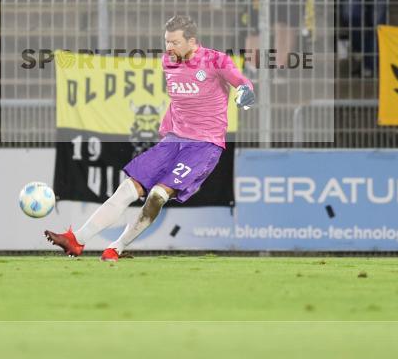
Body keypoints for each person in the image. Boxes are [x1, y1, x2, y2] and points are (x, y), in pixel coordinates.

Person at [45, 15, 255, 262]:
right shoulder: (168, 61)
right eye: (166, 41)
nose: (169, 47)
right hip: (173, 141)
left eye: (175, 42)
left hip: (204, 146)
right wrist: (167, 125)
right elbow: (177, 99)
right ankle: (76, 239)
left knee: (157, 195)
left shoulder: (215, 60)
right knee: (127, 189)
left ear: (192, 41)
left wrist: (244, 92)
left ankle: (117, 247)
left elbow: (241, 82)